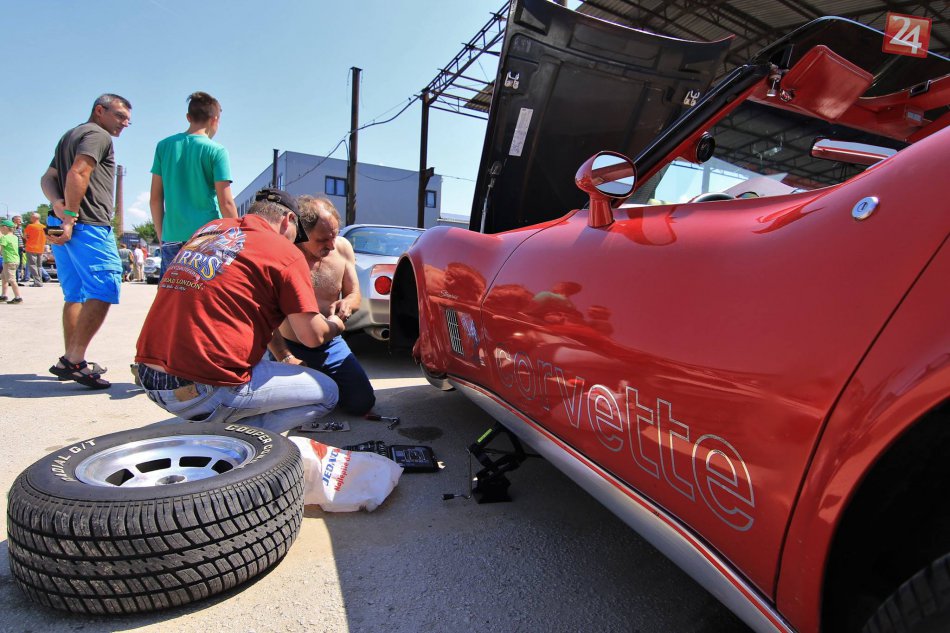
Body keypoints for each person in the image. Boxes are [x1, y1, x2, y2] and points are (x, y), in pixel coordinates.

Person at [135, 188, 344, 432]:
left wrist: (285, 356)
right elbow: (312, 336)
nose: (295, 243)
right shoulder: (284, 251)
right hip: (203, 388)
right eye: (296, 235)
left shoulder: (211, 230)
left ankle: (207, 423)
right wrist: (335, 324)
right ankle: (225, 439)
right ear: (288, 220)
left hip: (149, 376)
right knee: (327, 393)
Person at [39, 93, 132, 389]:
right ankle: (73, 359)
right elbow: (79, 171)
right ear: (100, 110)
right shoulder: (97, 135)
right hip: (87, 225)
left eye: (128, 120)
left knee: (75, 295)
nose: (124, 123)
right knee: (106, 287)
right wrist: (69, 216)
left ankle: (74, 361)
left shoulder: (70, 135)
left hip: (64, 222)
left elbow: (48, 177)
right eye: (120, 116)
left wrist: (57, 204)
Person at [267, 195, 376, 415]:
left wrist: (347, 304)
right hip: (290, 346)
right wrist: (284, 357)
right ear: (301, 232)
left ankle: (321, 383)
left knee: (362, 402)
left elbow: (354, 293)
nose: (331, 245)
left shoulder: (342, 248)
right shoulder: (283, 256)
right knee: (288, 408)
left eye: (334, 235)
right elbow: (265, 317)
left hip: (331, 342)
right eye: (322, 240)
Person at [150, 91, 238, 280]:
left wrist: (162, 235)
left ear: (188, 117)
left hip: (171, 236)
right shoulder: (217, 151)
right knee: (204, 293)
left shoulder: (164, 146)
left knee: (171, 293)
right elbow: (226, 203)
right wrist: (237, 238)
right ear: (215, 120)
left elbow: (155, 199)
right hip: (207, 237)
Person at [0, 220, 23, 304]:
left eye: (1, 227)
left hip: (8, 261)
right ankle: (3, 295)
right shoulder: (14, 237)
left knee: (11, 280)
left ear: (5, 227)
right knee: (4, 277)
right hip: (15, 260)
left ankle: (18, 297)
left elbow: (0, 249)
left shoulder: (4, 238)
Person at [23, 212, 46, 287]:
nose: (30, 218)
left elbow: (25, 236)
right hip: (40, 248)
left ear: (34, 218)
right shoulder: (44, 227)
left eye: (31, 217)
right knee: (39, 266)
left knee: (32, 265)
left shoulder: (30, 226)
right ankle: (40, 281)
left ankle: (37, 282)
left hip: (31, 248)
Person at [11, 215, 25, 283]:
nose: (20, 221)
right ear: (14, 220)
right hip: (15, 247)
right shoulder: (12, 227)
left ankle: (17, 279)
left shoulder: (20, 228)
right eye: (19, 219)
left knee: (20, 263)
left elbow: (21, 237)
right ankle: (14, 280)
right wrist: (15, 226)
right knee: (15, 263)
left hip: (20, 247)